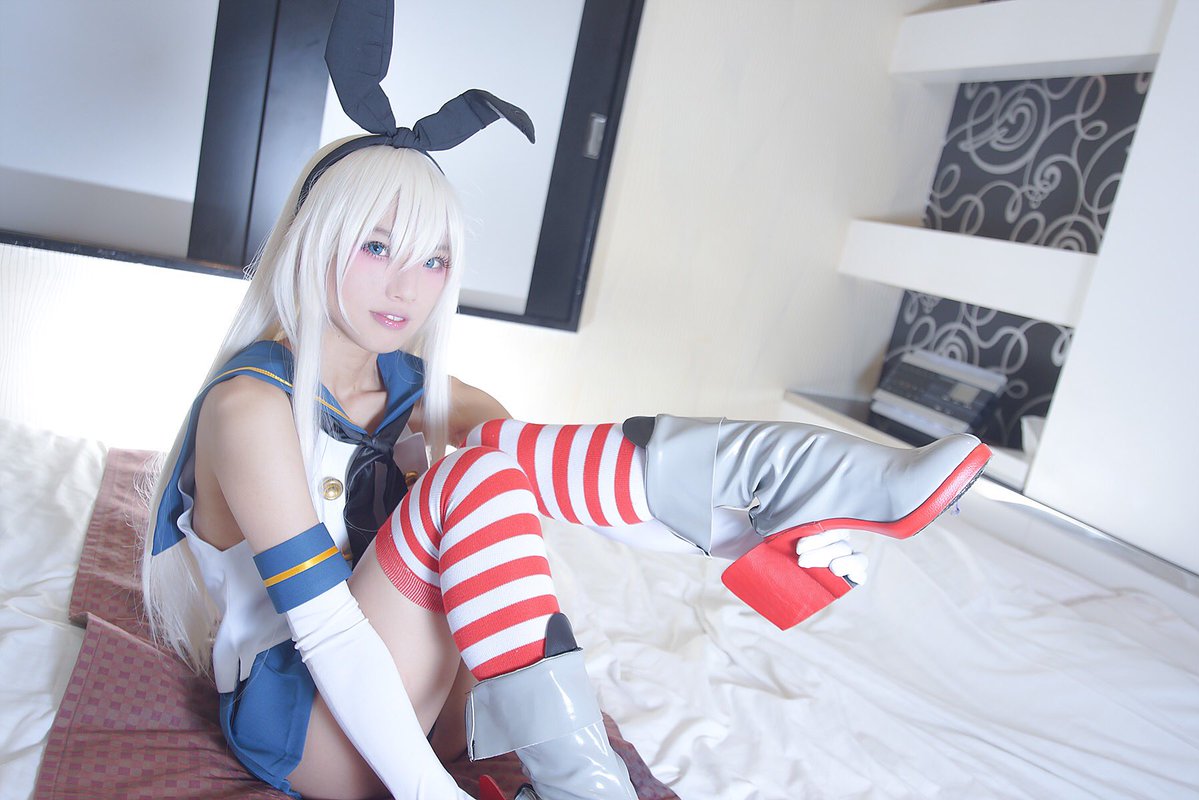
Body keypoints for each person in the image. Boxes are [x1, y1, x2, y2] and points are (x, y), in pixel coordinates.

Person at [141, 5, 991, 800]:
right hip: (317, 725)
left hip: (437, 707)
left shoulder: (428, 391)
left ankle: (804, 484)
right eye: (376, 247)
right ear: (315, 241)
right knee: (474, 477)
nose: (408, 287)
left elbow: (581, 494)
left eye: (434, 261)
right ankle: (801, 485)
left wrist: (762, 540)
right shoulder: (249, 408)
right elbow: (329, 633)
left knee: (501, 460)